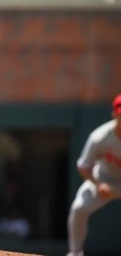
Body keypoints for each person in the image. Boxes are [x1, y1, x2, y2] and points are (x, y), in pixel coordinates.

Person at [67, 94, 121, 256]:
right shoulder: (100, 137)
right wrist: (98, 184)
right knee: (79, 208)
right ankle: (75, 253)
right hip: (104, 180)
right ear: (114, 114)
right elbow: (84, 166)